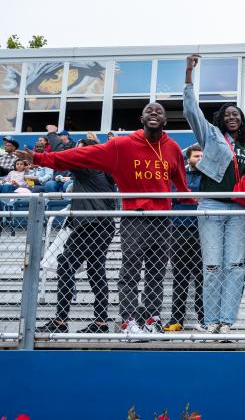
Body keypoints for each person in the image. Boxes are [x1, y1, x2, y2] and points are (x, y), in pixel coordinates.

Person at [18, 101, 192, 334]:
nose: (153, 113)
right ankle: (129, 322)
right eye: (148, 110)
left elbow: (182, 184)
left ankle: (152, 320)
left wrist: (196, 202)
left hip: (162, 219)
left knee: (156, 273)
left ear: (165, 120)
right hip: (134, 217)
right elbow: (79, 155)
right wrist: (40, 159)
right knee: (130, 270)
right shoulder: (121, 145)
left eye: (158, 111)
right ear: (141, 119)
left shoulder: (172, 148)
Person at [183, 54, 245, 334]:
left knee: (235, 266)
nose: (232, 117)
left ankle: (227, 321)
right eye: (227, 114)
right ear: (221, 118)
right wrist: (189, 74)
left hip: (240, 210)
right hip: (212, 205)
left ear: (241, 120)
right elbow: (192, 111)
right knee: (213, 266)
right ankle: (210, 320)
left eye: (236, 115)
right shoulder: (212, 136)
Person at [34, 138, 117, 334]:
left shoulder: (89, 167)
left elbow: (63, 159)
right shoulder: (98, 170)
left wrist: (50, 144)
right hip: (96, 225)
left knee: (67, 265)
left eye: (80, 151)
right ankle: (100, 322)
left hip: (91, 225)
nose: (76, 155)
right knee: (95, 269)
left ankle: (62, 320)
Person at [164, 145, 205, 332]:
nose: (200, 158)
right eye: (196, 155)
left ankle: (204, 319)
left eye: (203, 155)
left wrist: (189, 197)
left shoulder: (210, 177)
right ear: (188, 158)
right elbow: (173, 198)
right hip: (178, 230)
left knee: (202, 277)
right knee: (179, 277)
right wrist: (192, 198)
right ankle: (176, 319)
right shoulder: (179, 176)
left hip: (202, 231)